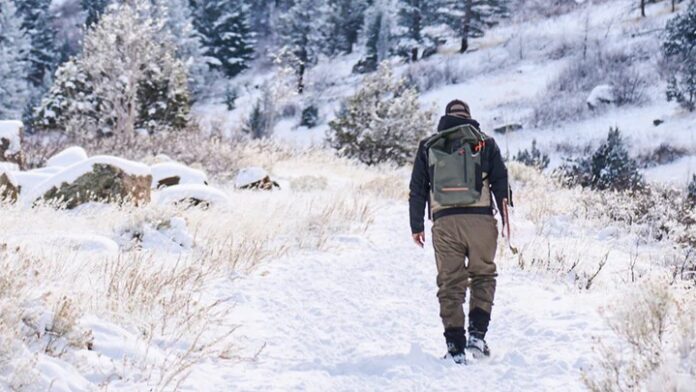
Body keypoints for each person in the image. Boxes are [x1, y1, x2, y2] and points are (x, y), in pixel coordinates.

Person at [409, 99, 510, 364]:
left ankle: (455, 347)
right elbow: (502, 182)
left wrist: (416, 226)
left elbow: (417, 188)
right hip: (481, 222)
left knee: (450, 282)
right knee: (483, 275)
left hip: (445, 223)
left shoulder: (429, 145)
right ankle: (477, 337)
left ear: (446, 118)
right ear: (469, 116)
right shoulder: (486, 143)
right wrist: (508, 220)